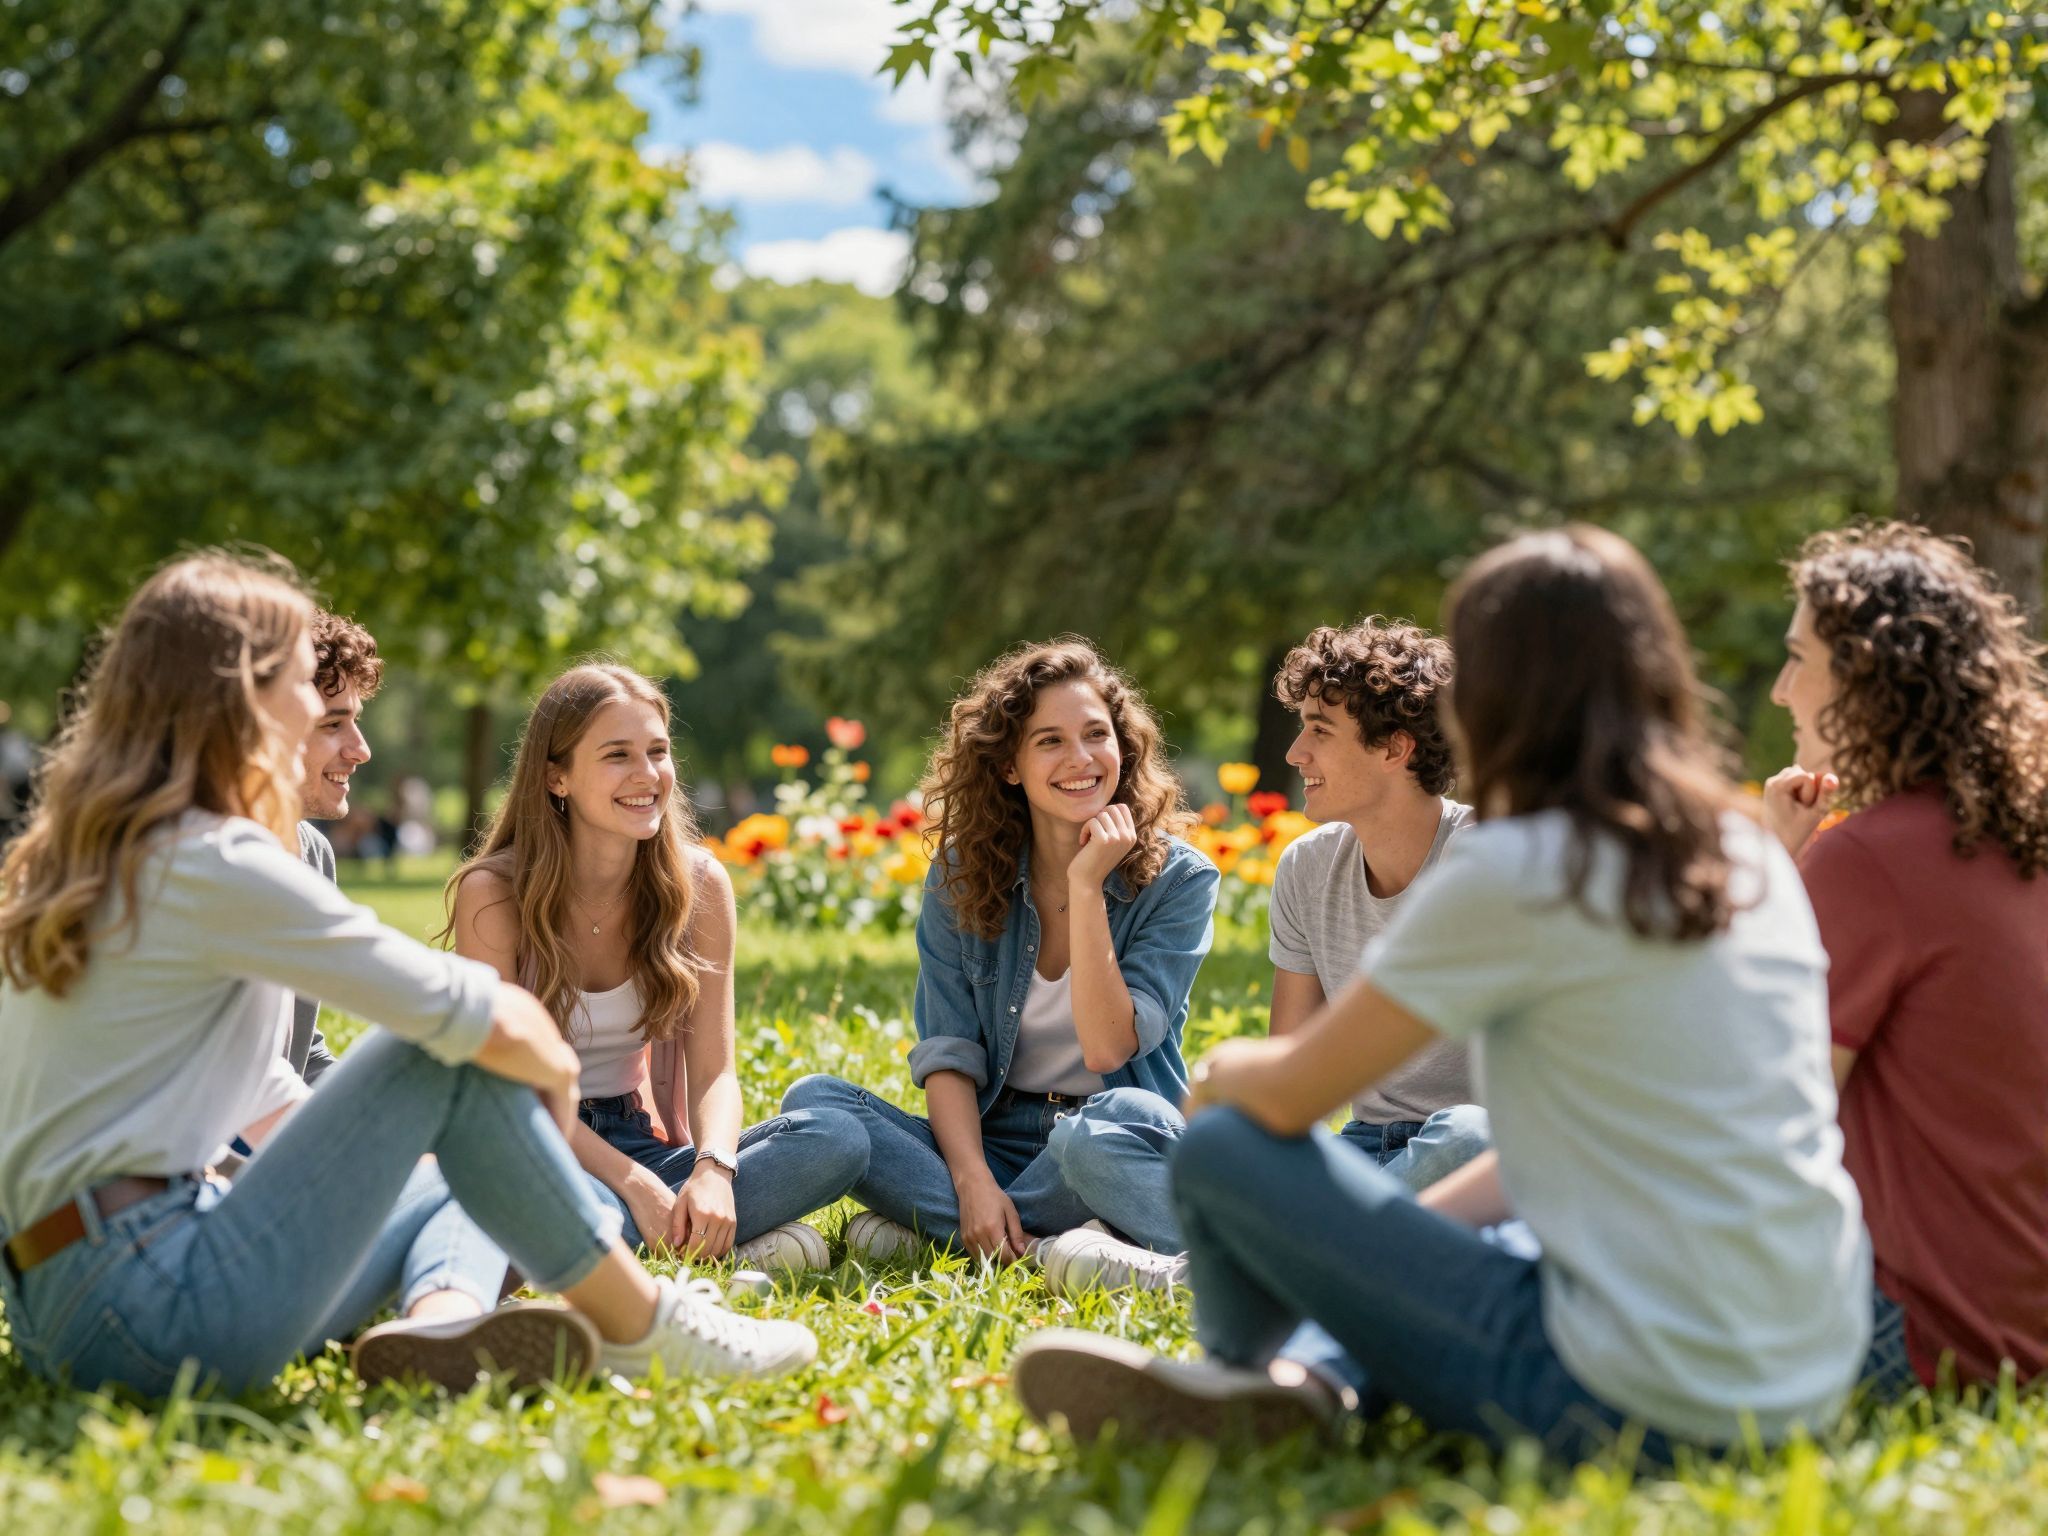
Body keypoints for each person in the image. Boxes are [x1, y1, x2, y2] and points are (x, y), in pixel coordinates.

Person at [1011, 526, 1870, 1462]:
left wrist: (1223, 1080)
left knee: (1222, 1144)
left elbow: (1290, 1092)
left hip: (1635, 1398)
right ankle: (1310, 1381)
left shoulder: (1520, 865)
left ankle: (1250, 1392)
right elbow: (1576, 1155)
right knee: (1484, 1234)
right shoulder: (1744, 849)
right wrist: (1371, 1251)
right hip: (1811, 1368)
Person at [0, 552, 818, 1398]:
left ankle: (441, 1324)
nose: (315, 708)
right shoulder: (210, 856)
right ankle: (645, 1324)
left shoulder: (102, 855)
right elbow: (458, 1013)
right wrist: (546, 1083)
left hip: (66, 1305)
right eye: (295, 681)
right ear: (239, 696)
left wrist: (446, 1154)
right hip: (147, 1303)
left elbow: (260, 1089)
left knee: (450, 1180)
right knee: (449, 1056)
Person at [1038, 620, 1489, 1295]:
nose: (1297, 751)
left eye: (1320, 730)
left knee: (1468, 1132)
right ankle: (1302, 1258)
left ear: (1395, 747)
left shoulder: (1488, 860)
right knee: (1094, 1136)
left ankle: (1208, 1272)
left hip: (1471, 1163)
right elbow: (1291, 1072)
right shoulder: (1308, 868)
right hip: (1357, 1157)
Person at [782, 638, 1220, 1265]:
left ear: (1123, 748)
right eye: (1049, 741)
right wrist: (972, 1182)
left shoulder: (1180, 879)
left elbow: (1107, 1048)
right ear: (1010, 765)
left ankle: (947, 1233)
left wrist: (1087, 883)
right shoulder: (962, 873)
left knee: (1118, 1119)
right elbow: (950, 1052)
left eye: (1097, 734)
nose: (1081, 759)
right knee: (819, 1102)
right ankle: (1051, 1243)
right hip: (996, 1138)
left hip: (1108, 1140)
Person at [445, 663, 866, 1273]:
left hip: (640, 1135)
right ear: (556, 778)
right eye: (617, 755)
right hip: (532, 1141)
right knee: (583, 1206)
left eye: (658, 752)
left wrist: (714, 1170)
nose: (647, 776)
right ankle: (682, 1235)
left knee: (839, 1139)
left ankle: (650, 1233)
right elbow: (507, 1087)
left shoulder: (699, 885)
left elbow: (716, 1070)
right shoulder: (494, 894)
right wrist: (636, 1184)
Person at [1764, 523, 2048, 1396]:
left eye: (1797, 657)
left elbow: (1751, 1114)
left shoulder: (1872, 861)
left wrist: (1776, 871)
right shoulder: (2014, 843)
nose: (1779, 691)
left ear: (1863, 678)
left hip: (1916, 1335)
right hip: (2020, 1324)